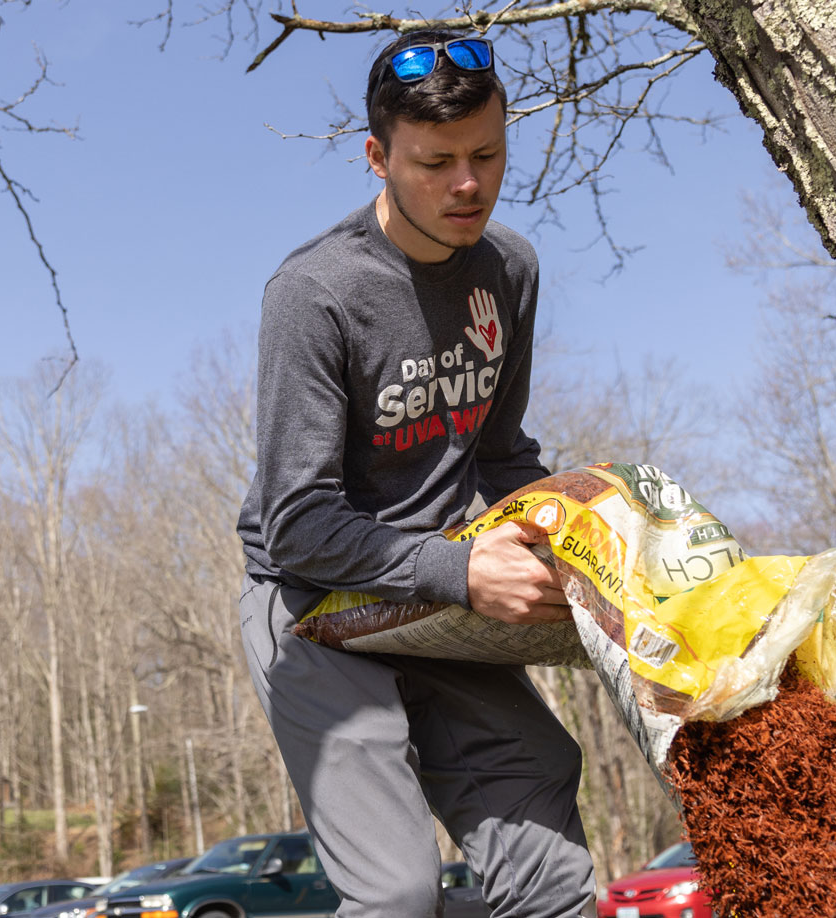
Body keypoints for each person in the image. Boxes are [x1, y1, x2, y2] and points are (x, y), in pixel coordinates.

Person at [236, 30, 597, 918]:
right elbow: (297, 523)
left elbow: (504, 455)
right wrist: (466, 571)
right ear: (378, 157)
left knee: (553, 871)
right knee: (399, 895)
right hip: (311, 603)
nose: (467, 184)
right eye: (436, 162)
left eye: (487, 154)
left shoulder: (509, 270)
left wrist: (590, 544)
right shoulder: (315, 293)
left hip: (439, 599)